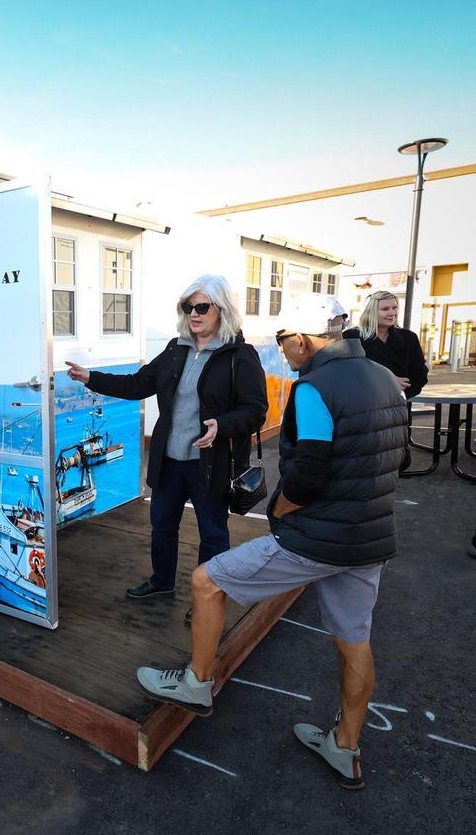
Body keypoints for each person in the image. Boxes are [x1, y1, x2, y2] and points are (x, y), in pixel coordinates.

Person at [135, 294, 409, 790]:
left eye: (284, 343)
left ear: (303, 339)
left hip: (318, 537)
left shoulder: (313, 387)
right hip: (370, 539)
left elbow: (309, 475)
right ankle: (345, 747)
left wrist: (279, 509)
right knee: (354, 644)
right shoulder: (386, 378)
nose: (284, 354)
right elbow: (400, 460)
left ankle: (197, 684)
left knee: (207, 582)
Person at [65, 275, 267, 614]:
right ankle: (162, 581)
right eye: (188, 307)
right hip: (170, 461)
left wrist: (222, 424)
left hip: (210, 463)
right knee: (161, 525)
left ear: (222, 309)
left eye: (202, 307)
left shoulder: (239, 356)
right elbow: (139, 384)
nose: (194, 314)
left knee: (213, 534)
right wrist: (91, 378)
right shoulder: (176, 349)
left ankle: (207, 597)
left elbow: (256, 411)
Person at [344, 290, 428, 398]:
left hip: (398, 405)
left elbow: (420, 375)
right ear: (370, 312)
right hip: (363, 405)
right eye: (385, 309)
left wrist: (401, 395)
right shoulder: (351, 337)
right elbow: (347, 373)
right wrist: (387, 382)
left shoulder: (409, 338)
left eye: (395, 307)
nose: (392, 313)